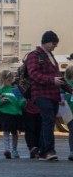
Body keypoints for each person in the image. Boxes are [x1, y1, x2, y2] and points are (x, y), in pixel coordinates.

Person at [23, 31, 68, 162]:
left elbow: (59, 77)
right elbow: (33, 74)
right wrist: (51, 80)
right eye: (54, 43)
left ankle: (43, 151)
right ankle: (49, 150)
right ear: (47, 42)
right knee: (48, 119)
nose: (55, 46)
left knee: (48, 122)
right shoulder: (34, 55)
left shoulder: (51, 56)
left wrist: (70, 90)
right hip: (41, 94)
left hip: (53, 95)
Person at [0, 68, 24, 159]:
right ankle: (7, 150)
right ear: (5, 79)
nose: (13, 78)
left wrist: (23, 103)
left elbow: (20, 100)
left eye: (13, 77)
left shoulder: (15, 89)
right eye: (11, 77)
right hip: (5, 113)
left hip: (15, 114)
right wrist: (1, 101)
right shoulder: (0, 89)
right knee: (6, 132)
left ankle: (14, 150)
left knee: (14, 132)